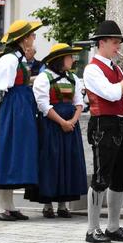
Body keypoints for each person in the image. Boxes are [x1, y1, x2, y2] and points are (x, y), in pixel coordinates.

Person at [82, 21, 123, 243]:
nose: (118, 46)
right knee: (101, 177)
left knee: (121, 178)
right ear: (102, 43)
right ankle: (92, 229)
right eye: (114, 42)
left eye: (119, 42)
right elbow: (110, 94)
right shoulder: (92, 69)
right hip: (104, 125)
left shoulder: (117, 68)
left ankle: (113, 226)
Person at [0, 18, 44, 220]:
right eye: (32, 35)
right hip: (11, 110)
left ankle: (7, 204)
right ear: (24, 39)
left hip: (20, 109)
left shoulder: (19, 59)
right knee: (6, 153)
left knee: (15, 154)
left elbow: (20, 81)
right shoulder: (8, 60)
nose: (34, 38)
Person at [29, 42, 88, 218]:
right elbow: (43, 106)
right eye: (70, 56)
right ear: (60, 59)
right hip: (50, 126)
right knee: (50, 161)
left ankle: (63, 204)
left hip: (70, 126)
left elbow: (79, 103)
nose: (73, 60)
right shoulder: (43, 78)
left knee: (68, 161)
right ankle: (48, 204)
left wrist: (72, 121)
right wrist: (62, 122)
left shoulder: (73, 78)